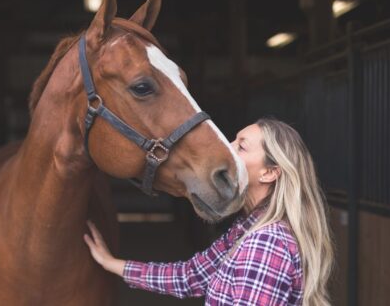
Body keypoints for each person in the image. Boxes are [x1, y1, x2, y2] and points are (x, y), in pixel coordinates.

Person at [84, 118, 334, 306]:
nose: (227, 147)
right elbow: (190, 276)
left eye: (241, 147)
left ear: (269, 173)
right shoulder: (247, 228)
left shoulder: (266, 243)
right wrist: (114, 264)